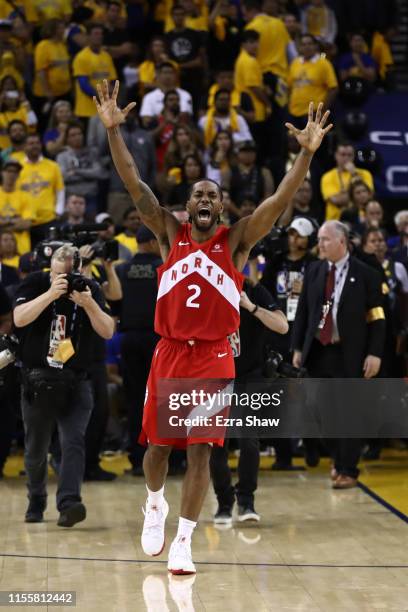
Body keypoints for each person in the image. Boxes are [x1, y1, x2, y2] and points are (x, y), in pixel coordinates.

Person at [95, 78, 332, 574]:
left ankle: (184, 541)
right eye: (197, 193)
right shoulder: (168, 232)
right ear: (188, 205)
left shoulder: (237, 240)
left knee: (202, 452)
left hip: (213, 356)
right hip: (169, 351)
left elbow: (278, 202)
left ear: (220, 207)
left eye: (212, 195)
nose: (204, 199)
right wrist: (115, 132)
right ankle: (154, 503)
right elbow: (133, 182)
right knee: (158, 449)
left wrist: (305, 157)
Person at [13, 244, 114, 526]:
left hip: (75, 381)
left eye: (72, 267)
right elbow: (19, 319)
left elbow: (107, 330)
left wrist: (89, 303)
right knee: (36, 448)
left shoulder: (88, 288)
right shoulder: (34, 282)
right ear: (51, 266)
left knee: (73, 442)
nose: (66, 273)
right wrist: (50, 294)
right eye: (60, 267)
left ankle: (69, 503)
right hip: (37, 379)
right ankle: (36, 499)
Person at [292, 221, 386, 488]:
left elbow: (377, 318)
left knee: (349, 413)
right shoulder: (313, 270)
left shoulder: (366, 274)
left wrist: (375, 354)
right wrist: (298, 347)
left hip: (350, 352)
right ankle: (338, 457)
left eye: (324, 239)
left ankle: (348, 469)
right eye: (319, 240)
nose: (319, 244)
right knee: (318, 412)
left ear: (341, 242)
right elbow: (304, 312)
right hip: (319, 351)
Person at [210, 277, 288, 523]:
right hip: (215, 376)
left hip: (249, 376)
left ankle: (246, 501)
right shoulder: (206, 286)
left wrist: (251, 307)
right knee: (216, 444)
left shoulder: (255, 290)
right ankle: (224, 502)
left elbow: (282, 326)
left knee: (249, 440)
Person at [115, 225, 162, 475]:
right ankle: (171, 460)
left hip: (129, 339)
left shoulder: (122, 270)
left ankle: (137, 459)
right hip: (159, 341)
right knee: (163, 398)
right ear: (154, 242)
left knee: (135, 400)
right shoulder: (163, 269)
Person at [16, 133, 65, 243]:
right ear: (24, 146)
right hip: (25, 221)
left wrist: (59, 211)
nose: (35, 146)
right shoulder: (18, 167)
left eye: (37, 143)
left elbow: (60, 190)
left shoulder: (53, 166)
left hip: (48, 219)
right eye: (31, 143)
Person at [72, 23, 117, 120]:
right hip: (87, 110)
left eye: (101, 34)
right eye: (96, 34)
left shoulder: (106, 56)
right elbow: (83, 85)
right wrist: (100, 98)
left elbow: (113, 80)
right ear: (89, 36)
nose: (99, 36)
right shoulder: (81, 57)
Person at [320, 142, 374, 221]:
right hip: (335, 220)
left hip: (360, 220)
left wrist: (354, 174)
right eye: (343, 154)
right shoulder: (327, 177)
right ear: (336, 156)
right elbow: (336, 201)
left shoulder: (365, 174)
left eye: (349, 155)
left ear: (353, 156)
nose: (346, 158)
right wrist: (355, 195)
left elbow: (366, 198)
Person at [0, 158, 34, 256]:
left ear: (18, 175)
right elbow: (20, 224)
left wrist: (3, 223)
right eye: (9, 171)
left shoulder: (26, 196)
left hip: (21, 249)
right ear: (2, 172)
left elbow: (26, 224)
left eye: (15, 172)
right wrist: (15, 220)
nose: (12, 174)